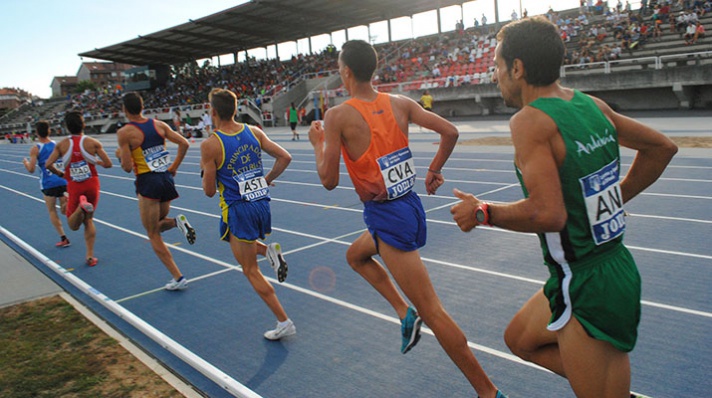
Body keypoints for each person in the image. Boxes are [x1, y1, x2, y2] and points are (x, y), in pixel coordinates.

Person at [450, 17, 678, 398]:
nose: (494, 75)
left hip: (585, 280)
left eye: (496, 65)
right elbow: (662, 148)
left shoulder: (530, 121)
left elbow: (548, 213)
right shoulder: (592, 105)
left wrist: (483, 212)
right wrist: (612, 199)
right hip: (608, 268)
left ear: (517, 68)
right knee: (520, 340)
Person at [308, 40, 505, 398]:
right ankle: (403, 312)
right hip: (410, 207)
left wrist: (317, 144)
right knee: (355, 256)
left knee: (434, 311)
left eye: (339, 68)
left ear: (346, 72)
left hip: (387, 216)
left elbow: (328, 180)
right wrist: (434, 170)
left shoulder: (337, 116)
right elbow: (451, 131)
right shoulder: (399, 103)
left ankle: (488, 392)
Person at [200, 88, 295, 340]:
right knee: (240, 242)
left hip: (238, 209)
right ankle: (268, 251)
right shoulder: (254, 131)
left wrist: (207, 172)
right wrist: (265, 179)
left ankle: (284, 321)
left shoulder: (210, 145)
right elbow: (285, 157)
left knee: (250, 270)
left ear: (213, 111)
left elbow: (209, 191)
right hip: (261, 203)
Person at [115, 92, 195, 290]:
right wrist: (174, 166)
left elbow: (126, 167)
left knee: (152, 233)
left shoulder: (125, 132)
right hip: (166, 179)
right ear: (142, 106)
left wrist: (120, 154)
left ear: (125, 110)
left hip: (148, 182)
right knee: (157, 225)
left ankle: (178, 278)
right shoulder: (159, 125)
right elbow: (184, 143)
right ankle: (177, 222)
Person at [45, 111, 113, 267]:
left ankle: (79, 208)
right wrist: (97, 162)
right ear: (83, 125)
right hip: (91, 184)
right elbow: (108, 164)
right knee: (89, 220)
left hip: (74, 185)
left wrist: (61, 174)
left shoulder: (62, 145)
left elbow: (48, 164)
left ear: (67, 127)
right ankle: (90, 256)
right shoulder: (93, 143)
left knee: (72, 225)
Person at [22, 120, 70, 248]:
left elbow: (31, 169)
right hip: (62, 179)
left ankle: (63, 238)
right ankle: (67, 201)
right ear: (49, 131)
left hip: (48, 183)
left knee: (52, 210)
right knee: (65, 210)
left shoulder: (36, 148)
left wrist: (25, 163)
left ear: (37, 133)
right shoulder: (58, 145)